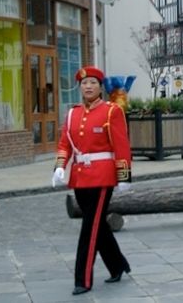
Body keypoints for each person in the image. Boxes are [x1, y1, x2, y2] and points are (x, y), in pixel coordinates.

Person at [51, 66, 132, 296]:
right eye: (84, 83)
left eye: (92, 83)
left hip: (102, 176)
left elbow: (121, 145)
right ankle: (117, 265)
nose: (88, 87)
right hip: (79, 176)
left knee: (89, 228)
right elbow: (64, 143)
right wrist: (59, 165)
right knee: (97, 225)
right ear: (80, 87)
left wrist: (124, 175)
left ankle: (82, 279)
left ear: (100, 87)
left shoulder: (111, 111)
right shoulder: (72, 114)